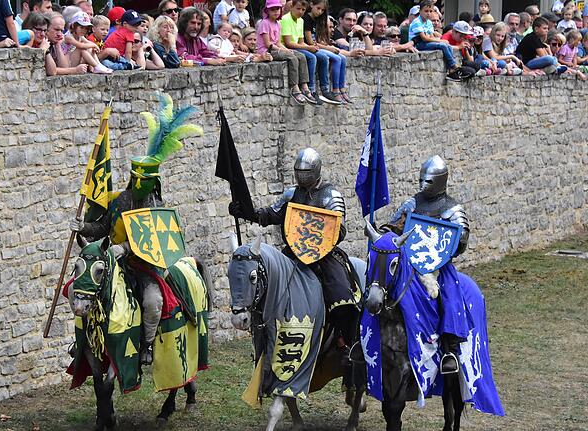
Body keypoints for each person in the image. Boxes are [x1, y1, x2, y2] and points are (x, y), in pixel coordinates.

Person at [73, 95, 201, 365]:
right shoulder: (120, 200)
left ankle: (146, 346)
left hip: (145, 266)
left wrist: (127, 248)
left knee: (152, 302)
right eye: (137, 178)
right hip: (113, 263)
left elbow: (156, 241)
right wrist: (82, 227)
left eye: (145, 180)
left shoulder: (157, 207)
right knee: (80, 289)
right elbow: (102, 227)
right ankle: (82, 342)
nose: (140, 183)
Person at [228, 148, 360, 366]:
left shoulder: (330, 196)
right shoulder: (291, 194)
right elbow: (269, 214)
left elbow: (339, 230)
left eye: (306, 172)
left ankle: (348, 344)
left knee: (342, 295)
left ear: (316, 171)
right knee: (267, 288)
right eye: (299, 172)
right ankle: (266, 342)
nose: (302, 176)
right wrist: (244, 212)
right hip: (292, 255)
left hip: (324, 256)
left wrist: (319, 241)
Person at [386, 155, 469, 374]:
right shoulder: (412, 203)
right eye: (422, 179)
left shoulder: (453, 209)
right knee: (382, 284)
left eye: (429, 180)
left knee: (450, 294)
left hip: (438, 267)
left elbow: (461, 242)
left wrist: (449, 246)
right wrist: (389, 229)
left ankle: (450, 349)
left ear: (441, 181)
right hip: (409, 262)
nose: (424, 184)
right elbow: (396, 226)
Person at [257, 0, 312, 103]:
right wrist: (283, 51)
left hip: (276, 48)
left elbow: (278, 42)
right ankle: (294, 88)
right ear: (267, 11)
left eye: (277, 9)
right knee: (292, 58)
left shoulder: (278, 23)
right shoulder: (264, 23)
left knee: (300, 56)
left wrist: (287, 49)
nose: (276, 11)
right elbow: (268, 44)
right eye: (272, 9)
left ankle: (304, 86)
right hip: (266, 51)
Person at [303, 0, 349, 104]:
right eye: (318, 8)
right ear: (311, 5)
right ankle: (327, 89)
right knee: (330, 58)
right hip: (309, 47)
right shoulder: (307, 19)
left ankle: (341, 88)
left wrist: (327, 46)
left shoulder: (317, 20)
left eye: (322, 10)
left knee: (342, 58)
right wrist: (329, 48)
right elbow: (310, 42)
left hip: (317, 46)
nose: (320, 12)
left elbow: (318, 40)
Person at [281, 0, 325, 105]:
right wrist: (309, 48)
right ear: (291, 7)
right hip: (288, 47)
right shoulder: (286, 19)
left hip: (298, 46)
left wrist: (311, 46)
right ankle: (308, 87)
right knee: (310, 57)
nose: (300, 12)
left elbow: (301, 41)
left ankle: (320, 88)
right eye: (298, 9)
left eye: (303, 10)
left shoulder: (301, 20)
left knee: (322, 56)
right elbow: (288, 43)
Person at [410, 0, 466, 81]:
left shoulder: (428, 22)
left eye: (430, 11)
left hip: (426, 42)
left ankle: (451, 70)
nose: (428, 13)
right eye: (426, 11)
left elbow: (431, 36)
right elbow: (424, 38)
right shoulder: (417, 22)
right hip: (417, 44)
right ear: (420, 11)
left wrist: (436, 39)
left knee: (448, 46)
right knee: (443, 45)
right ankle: (453, 66)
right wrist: (440, 41)